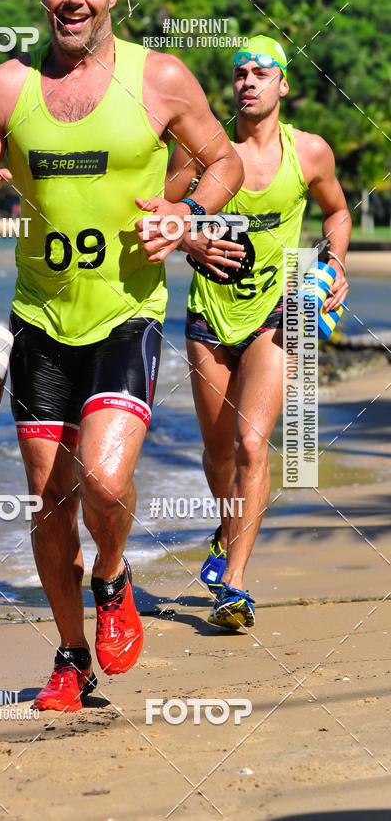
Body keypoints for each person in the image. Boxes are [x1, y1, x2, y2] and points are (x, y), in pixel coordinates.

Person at [0, 0, 243, 708]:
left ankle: (113, 574)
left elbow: (225, 159)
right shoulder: (4, 87)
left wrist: (187, 214)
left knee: (104, 481)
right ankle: (71, 655)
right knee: (50, 505)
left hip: (126, 312)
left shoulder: (160, 77)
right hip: (39, 319)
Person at [163, 35, 351, 630]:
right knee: (219, 452)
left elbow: (337, 212)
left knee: (251, 445)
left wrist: (334, 263)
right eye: (240, 72)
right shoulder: (204, 151)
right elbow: (160, 216)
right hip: (209, 315)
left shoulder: (309, 152)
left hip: (281, 310)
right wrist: (189, 238)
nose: (248, 81)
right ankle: (226, 530)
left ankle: (235, 584)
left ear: (283, 84)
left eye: (261, 72)